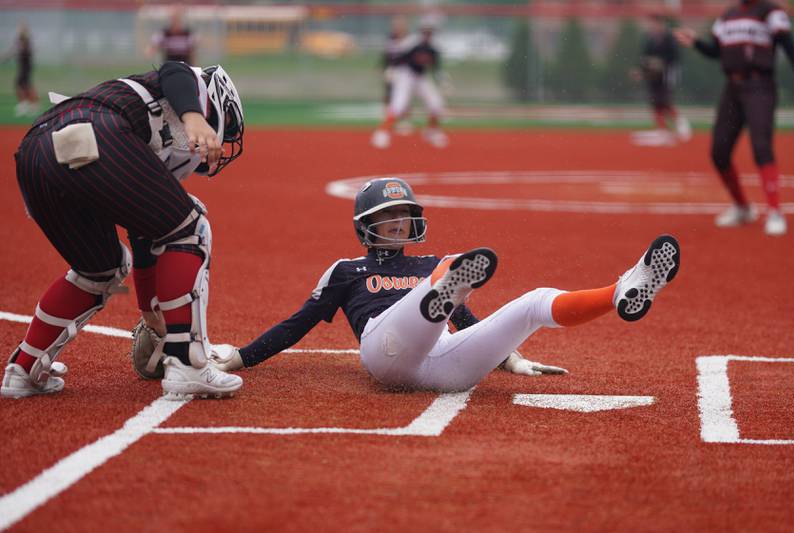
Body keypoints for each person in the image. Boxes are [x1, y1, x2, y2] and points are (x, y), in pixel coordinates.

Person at [210, 178, 681, 393]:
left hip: (449, 368)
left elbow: (467, 318)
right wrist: (242, 357)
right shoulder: (345, 270)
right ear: (365, 225)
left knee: (533, 301)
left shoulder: (433, 263)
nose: (397, 223)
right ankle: (437, 298)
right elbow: (298, 324)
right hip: (385, 352)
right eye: (387, 217)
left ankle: (620, 291)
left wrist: (510, 358)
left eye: (403, 215)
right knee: (446, 277)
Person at [1, 60, 246, 399]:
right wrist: (194, 117)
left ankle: (23, 371)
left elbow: (146, 233)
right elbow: (174, 70)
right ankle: (189, 364)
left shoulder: (147, 139)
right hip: (92, 132)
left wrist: (149, 312)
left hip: (34, 155)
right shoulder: (187, 87)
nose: (224, 137)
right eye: (227, 124)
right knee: (192, 228)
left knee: (99, 270)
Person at [675, 0, 794, 236]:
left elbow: (790, 48)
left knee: (761, 147)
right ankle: (742, 207)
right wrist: (696, 43)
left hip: (760, 85)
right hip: (732, 87)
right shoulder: (728, 15)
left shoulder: (770, 11)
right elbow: (716, 51)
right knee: (719, 151)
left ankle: (774, 211)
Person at [371, 18, 449, 149]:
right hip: (405, 74)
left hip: (420, 77)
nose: (427, 34)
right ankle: (381, 133)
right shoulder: (413, 42)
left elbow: (436, 67)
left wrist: (442, 80)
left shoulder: (434, 47)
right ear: (421, 31)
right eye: (425, 31)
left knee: (436, 103)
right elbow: (398, 57)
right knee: (398, 105)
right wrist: (391, 69)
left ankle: (431, 131)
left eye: (430, 31)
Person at [630, 11, 691, 146]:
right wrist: (639, 71)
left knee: (665, 102)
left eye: (656, 23)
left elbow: (675, 58)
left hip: (666, 75)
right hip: (653, 76)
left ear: (662, 24)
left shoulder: (669, 39)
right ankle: (662, 130)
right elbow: (644, 58)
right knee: (655, 102)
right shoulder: (650, 40)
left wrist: (661, 64)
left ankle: (681, 124)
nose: (653, 26)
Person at [381, 16, 414, 136]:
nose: (398, 27)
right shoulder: (390, 39)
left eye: (400, 25)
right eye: (396, 25)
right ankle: (389, 120)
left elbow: (409, 57)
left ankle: (404, 121)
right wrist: (385, 68)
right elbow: (387, 56)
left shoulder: (410, 40)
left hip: (405, 72)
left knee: (404, 97)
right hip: (392, 71)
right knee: (389, 95)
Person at [4, 22, 40, 117]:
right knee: (20, 84)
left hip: (27, 65)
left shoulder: (27, 40)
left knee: (26, 84)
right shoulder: (19, 40)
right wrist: (5, 57)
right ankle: (25, 103)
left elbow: (29, 51)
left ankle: (33, 104)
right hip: (22, 65)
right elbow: (13, 50)